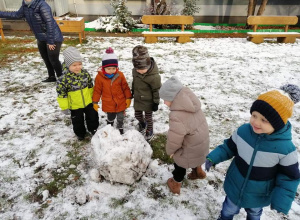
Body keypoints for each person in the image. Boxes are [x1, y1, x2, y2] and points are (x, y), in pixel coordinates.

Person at [205, 84, 300, 220]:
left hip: (259, 195)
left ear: (278, 124)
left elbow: (289, 177)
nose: (255, 122)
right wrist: (213, 158)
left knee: (254, 214)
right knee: (228, 210)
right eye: (254, 115)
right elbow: (228, 147)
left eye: (264, 120)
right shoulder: (243, 131)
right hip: (235, 186)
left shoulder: (285, 149)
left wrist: (281, 201)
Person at [159, 76, 210, 194]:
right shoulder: (193, 106)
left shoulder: (177, 115)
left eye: (165, 99)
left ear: (173, 98)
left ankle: (176, 183)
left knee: (179, 163)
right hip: (201, 145)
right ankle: (198, 172)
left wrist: (170, 151)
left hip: (190, 148)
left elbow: (175, 138)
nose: (164, 103)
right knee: (193, 155)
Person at [0, 0, 63, 82]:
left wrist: (50, 41)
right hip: (41, 37)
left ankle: (62, 79)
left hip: (53, 37)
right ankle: (52, 77)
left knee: (53, 59)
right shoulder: (25, 5)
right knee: (46, 58)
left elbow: (49, 23)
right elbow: (16, 15)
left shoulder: (42, 5)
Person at [56, 47, 99, 140]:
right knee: (77, 120)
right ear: (68, 65)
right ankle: (80, 133)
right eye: (74, 65)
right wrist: (64, 107)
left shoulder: (85, 73)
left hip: (88, 101)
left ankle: (93, 129)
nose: (78, 67)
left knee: (92, 116)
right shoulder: (63, 79)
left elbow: (90, 86)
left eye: (80, 64)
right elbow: (61, 94)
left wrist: (93, 99)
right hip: (74, 105)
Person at [92, 47, 132, 135]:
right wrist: (95, 102)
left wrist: (128, 97)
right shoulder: (99, 77)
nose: (111, 71)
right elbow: (97, 90)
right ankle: (110, 124)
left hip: (120, 100)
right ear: (103, 68)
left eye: (113, 68)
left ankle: (120, 126)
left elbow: (125, 87)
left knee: (121, 116)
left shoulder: (120, 75)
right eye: (109, 69)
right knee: (111, 116)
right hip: (108, 102)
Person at [132, 45, 161, 141]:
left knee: (148, 118)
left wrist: (156, 102)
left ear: (148, 65)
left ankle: (150, 129)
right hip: (138, 99)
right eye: (137, 69)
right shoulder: (135, 71)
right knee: (137, 115)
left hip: (149, 102)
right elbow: (134, 82)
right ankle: (142, 123)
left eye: (142, 69)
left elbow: (156, 90)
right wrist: (133, 91)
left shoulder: (154, 77)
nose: (139, 71)